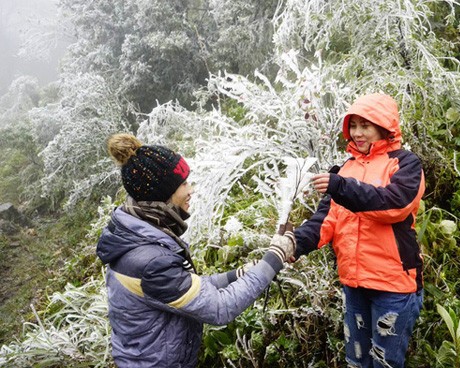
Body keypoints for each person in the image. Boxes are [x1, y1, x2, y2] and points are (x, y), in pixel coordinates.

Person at [96, 133, 295, 367]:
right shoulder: (150, 261)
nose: (190, 190)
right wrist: (275, 257)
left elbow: (185, 287)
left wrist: (237, 275)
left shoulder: (138, 237)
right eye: (183, 184)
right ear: (161, 195)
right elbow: (219, 308)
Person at [293, 93, 425, 367]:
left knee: (384, 364)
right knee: (355, 362)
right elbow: (324, 222)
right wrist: (292, 243)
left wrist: (340, 187)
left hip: (393, 287)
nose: (357, 132)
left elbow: (393, 204)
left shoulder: (405, 164)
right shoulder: (346, 169)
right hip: (354, 285)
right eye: (353, 125)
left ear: (383, 126)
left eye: (365, 125)